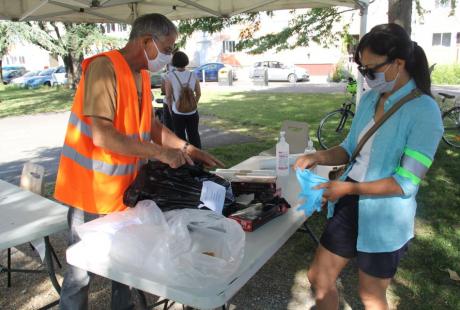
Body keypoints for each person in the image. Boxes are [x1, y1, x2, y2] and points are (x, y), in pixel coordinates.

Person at [54, 13, 224, 310]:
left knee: (127, 269)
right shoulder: (103, 69)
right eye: (168, 49)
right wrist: (161, 153)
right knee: (81, 272)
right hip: (90, 191)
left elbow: (152, 126)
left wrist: (188, 148)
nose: (170, 57)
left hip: (127, 191)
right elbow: (104, 137)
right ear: (147, 42)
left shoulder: (143, 74)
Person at [294, 23, 443, 310]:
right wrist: (318, 157)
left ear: (398, 63)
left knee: (371, 296)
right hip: (350, 202)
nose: (366, 77)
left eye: (371, 70)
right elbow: (350, 148)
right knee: (318, 277)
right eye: (362, 70)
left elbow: (405, 183)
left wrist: (349, 187)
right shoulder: (371, 98)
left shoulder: (424, 111)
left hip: (385, 215)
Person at [165, 51, 202, 149]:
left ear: (174, 62)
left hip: (177, 112)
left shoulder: (170, 76)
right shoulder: (193, 75)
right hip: (193, 112)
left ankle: (184, 160)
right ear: (186, 61)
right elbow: (198, 93)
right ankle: (198, 160)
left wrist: (170, 109)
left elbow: (168, 96)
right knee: (194, 135)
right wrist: (193, 104)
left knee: (180, 137)